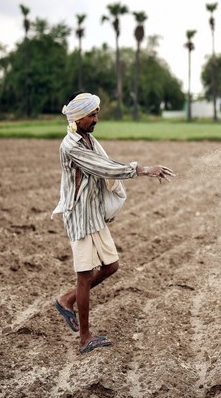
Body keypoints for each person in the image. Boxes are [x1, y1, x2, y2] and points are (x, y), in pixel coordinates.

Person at [52, 92, 175, 354]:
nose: (96, 119)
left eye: (97, 113)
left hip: (94, 214)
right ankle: (85, 338)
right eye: (92, 115)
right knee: (84, 276)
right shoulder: (71, 146)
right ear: (77, 117)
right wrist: (142, 169)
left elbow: (106, 164)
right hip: (80, 217)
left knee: (111, 265)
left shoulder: (88, 139)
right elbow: (104, 168)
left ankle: (66, 300)